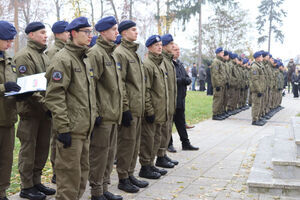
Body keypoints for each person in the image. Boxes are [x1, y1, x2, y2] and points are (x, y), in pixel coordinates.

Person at [45, 16, 97, 200]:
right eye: (86, 32)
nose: (90, 35)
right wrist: (64, 128)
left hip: (84, 127)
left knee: (82, 175)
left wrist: (94, 115)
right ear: (73, 33)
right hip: (71, 129)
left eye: (91, 32)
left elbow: (87, 93)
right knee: (68, 179)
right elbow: (54, 96)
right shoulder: (63, 59)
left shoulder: (84, 58)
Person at [14, 21, 56, 200]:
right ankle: (26, 186)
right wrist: (48, 105)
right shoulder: (24, 56)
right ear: (31, 35)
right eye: (41, 33)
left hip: (44, 111)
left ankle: (36, 181)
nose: (45, 36)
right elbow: (29, 87)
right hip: (30, 112)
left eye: (45, 33)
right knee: (29, 149)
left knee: (42, 148)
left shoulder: (44, 56)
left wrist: (50, 106)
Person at [87, 16, 123, 200]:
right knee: (99, 154)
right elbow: (90, 85)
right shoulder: (96, 53)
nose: (117, 32)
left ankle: (105, 187)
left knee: (109, 154)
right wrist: (97, 112)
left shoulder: (111, 53)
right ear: (102, 32)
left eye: (117, 29)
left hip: (113, 113)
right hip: (103, 114)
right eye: (114, 29)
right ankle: (96, 191)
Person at [113, 20, 148, 193]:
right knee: (126, 144)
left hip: (138, 106)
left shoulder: (134, 52)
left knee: (134, 143)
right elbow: (121, 83)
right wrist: (125, 107)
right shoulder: (120, 53)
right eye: (133, 30)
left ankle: (130, 173)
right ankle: (123, 177)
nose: (136, 33)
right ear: (124, 33)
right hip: (130, 107)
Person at [138, 35, 169, 180]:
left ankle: (150, 164)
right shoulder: (148, 64)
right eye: (156, 45)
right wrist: (149, 110)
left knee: (156, 138)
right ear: (149, 47)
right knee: (148, 139)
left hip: (160, 109)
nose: (160, 47)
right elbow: (147, 90)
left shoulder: (159, 63)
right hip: (152, 109)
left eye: (161, 45)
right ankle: (145, 166)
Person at [45, 20, 69, 185]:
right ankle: (56, 172)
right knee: (57, 139)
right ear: (59, 33)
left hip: (67, 103)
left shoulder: (64, 50)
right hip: (57, 102)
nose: (69, 34)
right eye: (66, 31)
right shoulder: (55, 52)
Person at [0, 21, 20, 200]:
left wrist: (19, 93)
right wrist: (3, 87)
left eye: (11, 40)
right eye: (6, 40)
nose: (9, 43)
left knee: (6, 160)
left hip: (7, 118)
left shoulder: (9, 60)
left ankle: (2, 192)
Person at [168, 43, 199, 152]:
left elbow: (186, 77)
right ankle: (169, 144)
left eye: (178, 50)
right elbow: (169, 80)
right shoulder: (168, 63)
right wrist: (181, 80)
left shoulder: (179, 63)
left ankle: (185, 143)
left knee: (181, 122)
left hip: (181, 98)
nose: (178, 51)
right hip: (172, 98)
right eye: (175, 50)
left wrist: (187, 80)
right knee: (169, 123)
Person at [155, 34, 178, 169]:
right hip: (163, 103)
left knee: (167, 130)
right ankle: (160, 155)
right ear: (164, 46)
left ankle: (163, 154)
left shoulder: (168, 60)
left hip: (170, 102)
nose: (173, 46)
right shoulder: (162, 60)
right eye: (170, 44)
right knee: (162, 132)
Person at [250, 51, 265, 126]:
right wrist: (259, 90)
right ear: (257, 58)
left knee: (259, 104)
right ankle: (254, 120)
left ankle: (258, 118)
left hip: (260, 89)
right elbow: (255, 80)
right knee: (256, 104)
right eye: (261, 56)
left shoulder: (259, 65)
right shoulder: (254, 67)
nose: (262, 58)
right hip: (256, 90)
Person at [211, 47, 226, 120]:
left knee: (220, 99)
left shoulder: (220, 62)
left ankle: (219, 113)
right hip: (218, 84)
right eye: (222, 52)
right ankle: (215, 114)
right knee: (217, 99)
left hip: (222, 84)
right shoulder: (216, 62)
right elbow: (215, 74)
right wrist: (217, 84)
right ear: (218, 53)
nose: (223, 54)